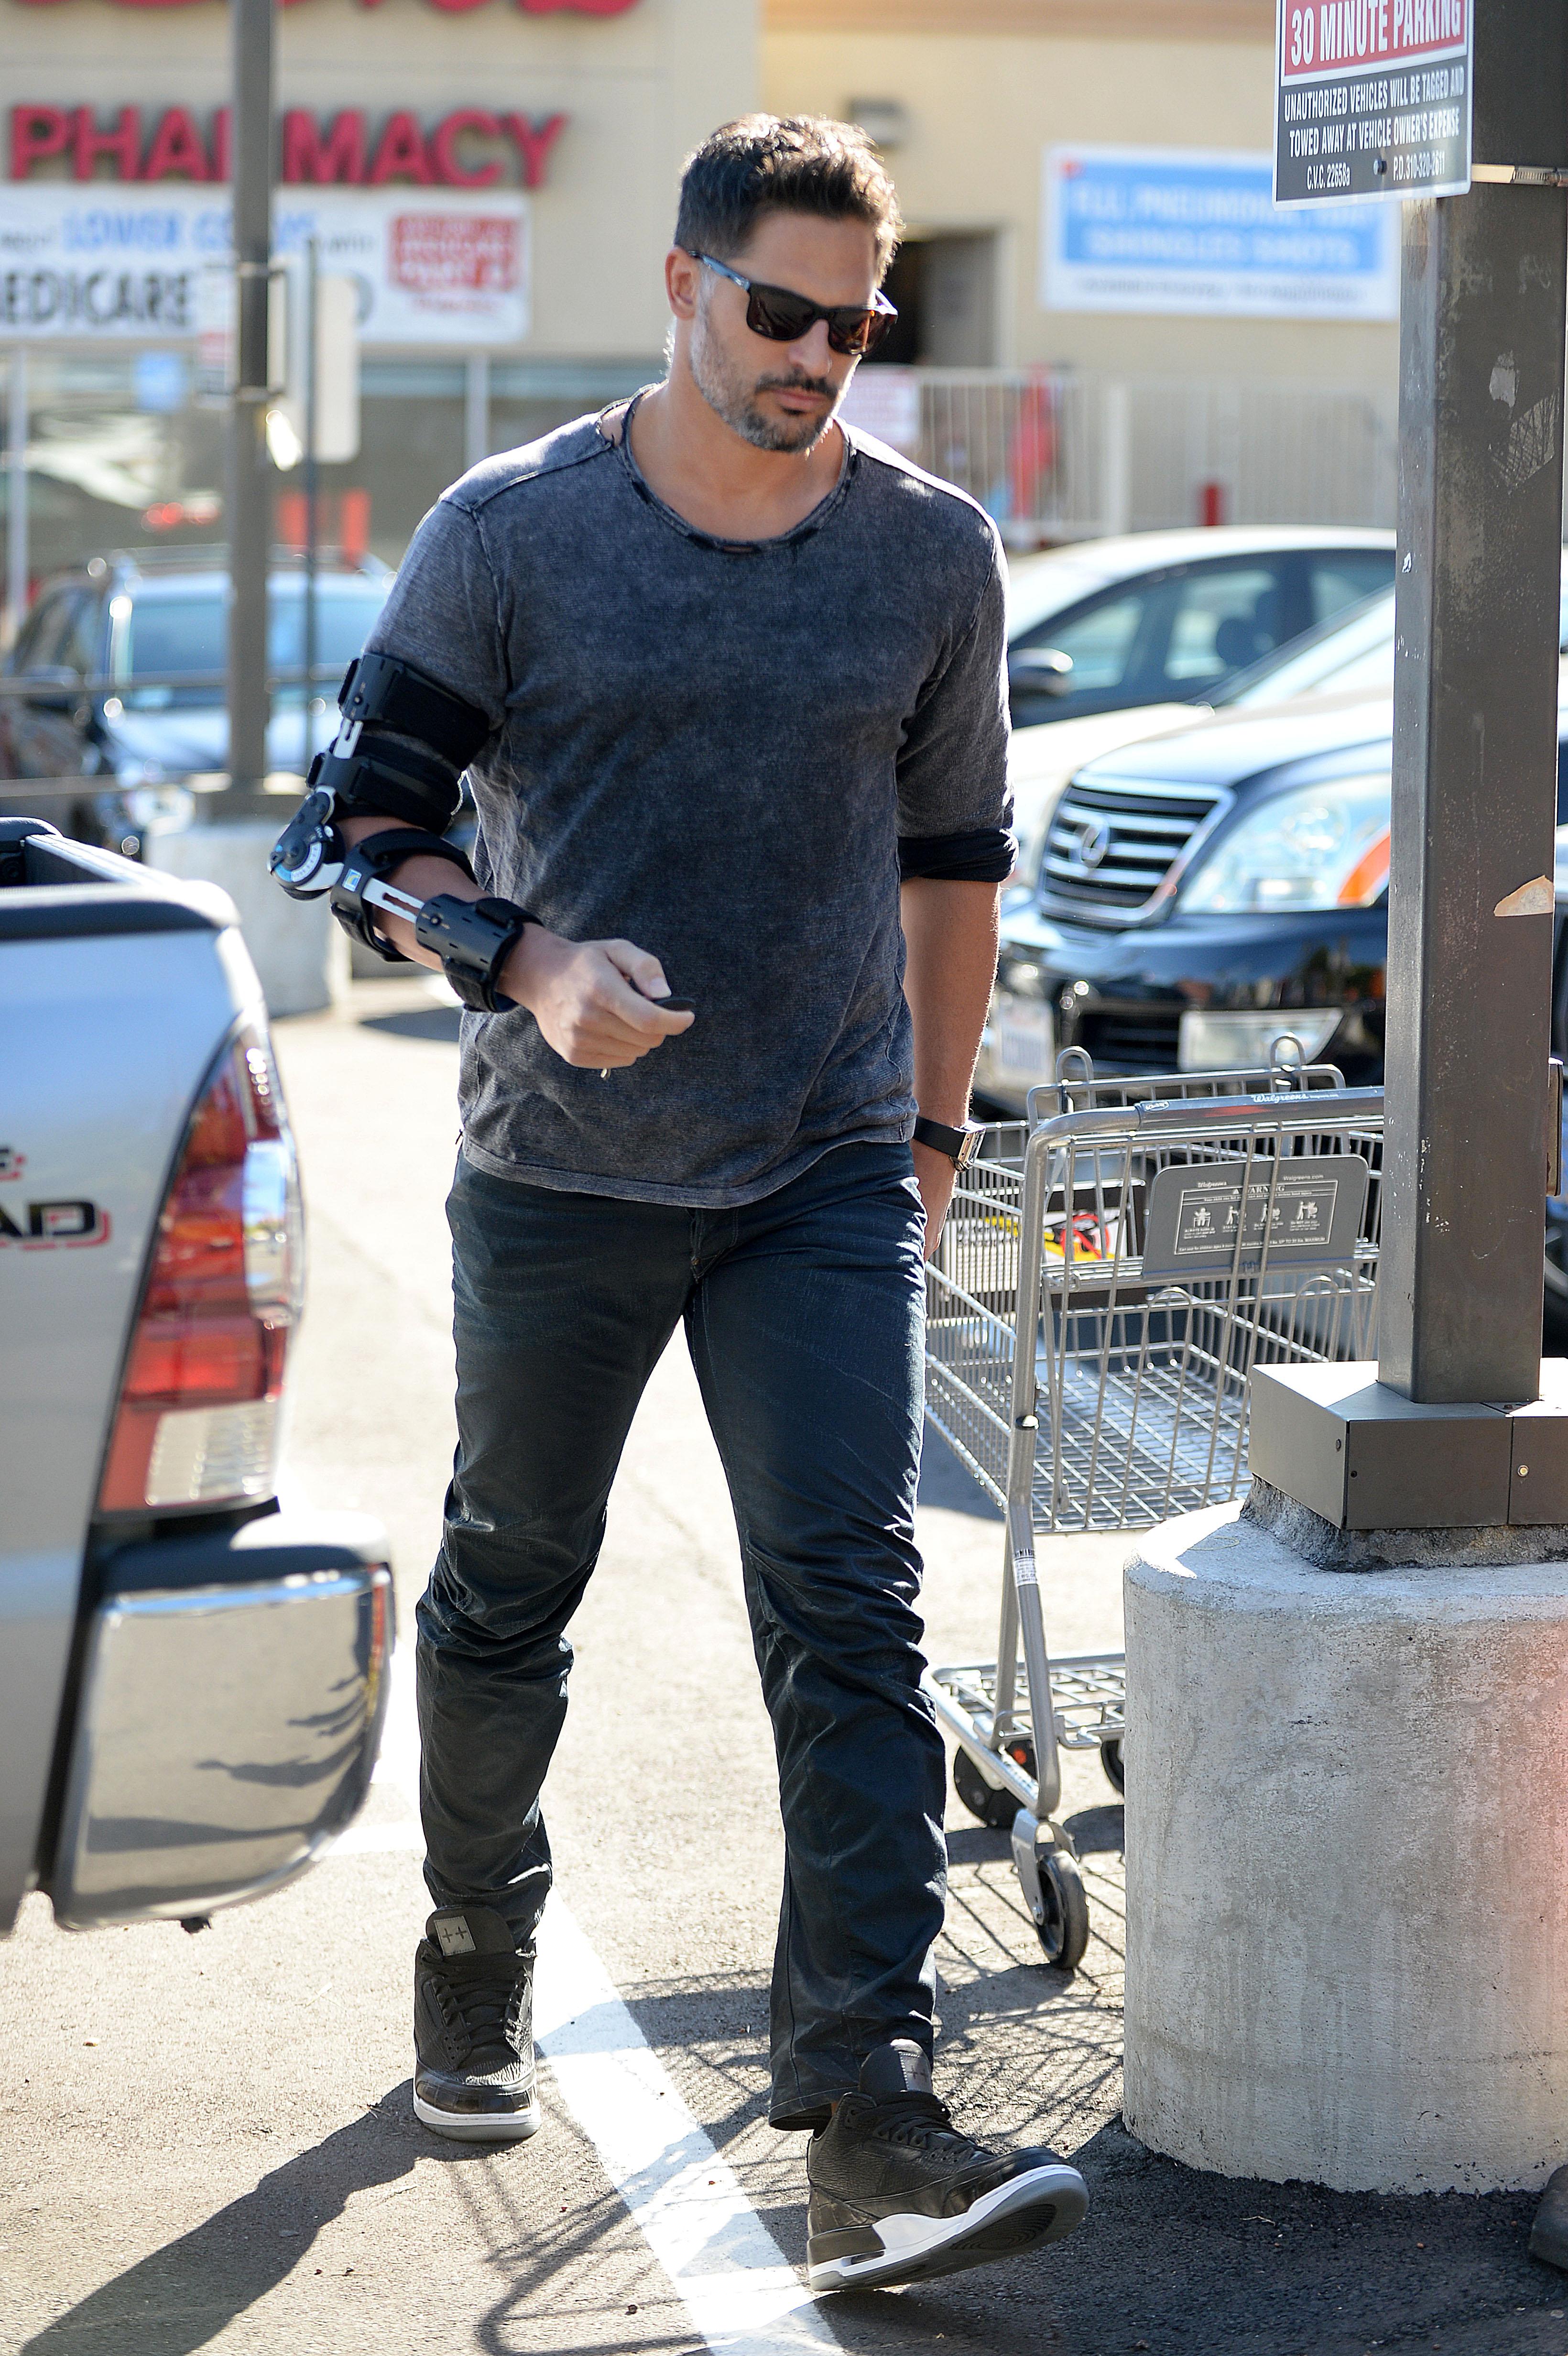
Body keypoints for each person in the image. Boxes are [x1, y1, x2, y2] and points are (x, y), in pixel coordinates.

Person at [332, 114, 1089, 2294]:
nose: (819, 357)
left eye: (856, 324)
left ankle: (872, 2108)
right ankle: (476, 1934)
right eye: (781, 311)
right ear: (677, 286)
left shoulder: (930, 555)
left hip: (823, 1163)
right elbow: (364, 823)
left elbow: (957, 865)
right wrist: (535, 963)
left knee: (852, 1598)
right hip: (558, 1175)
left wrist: (931, 1137)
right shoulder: (513, 536)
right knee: (512, 1574)